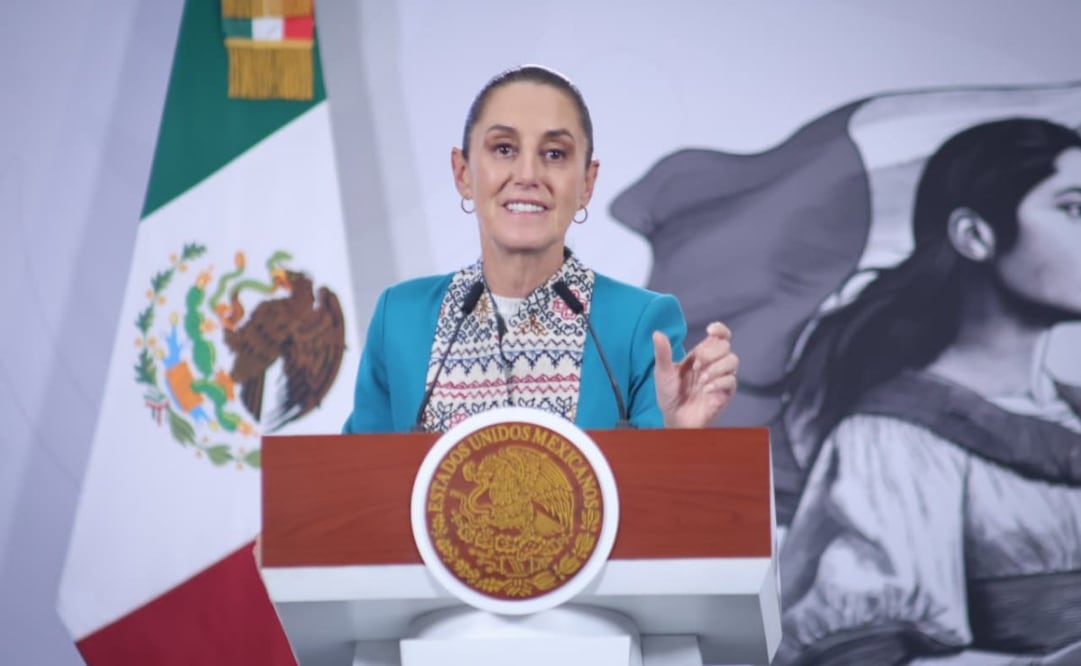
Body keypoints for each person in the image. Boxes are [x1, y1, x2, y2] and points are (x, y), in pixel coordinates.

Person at [774, 118, 1081, 665]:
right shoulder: (892, 441)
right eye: (1074, 209)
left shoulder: (1068, 413)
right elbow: (860, 653)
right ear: (975, 235)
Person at [342, 65, 739, 435]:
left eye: (554, 154)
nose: (528, 175)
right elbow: (354, 482)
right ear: (463, 173)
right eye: (503, 149)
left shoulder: (642, 325)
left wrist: (678, 435)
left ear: (586, 182)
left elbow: (666, 496)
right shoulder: (400, 318)